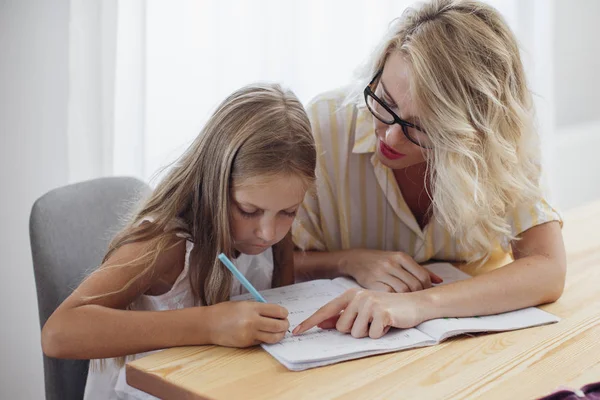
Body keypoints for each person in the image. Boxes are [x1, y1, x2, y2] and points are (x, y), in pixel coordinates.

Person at [292, 0, 565, 339]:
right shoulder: (323, 125)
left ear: (472, 131)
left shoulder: (500, 142)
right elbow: (269, 261)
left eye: (422, 127)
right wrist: (348, 261)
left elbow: (548, 268)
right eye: (385, 102)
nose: (390, 136)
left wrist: (421, 304)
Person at [41, 83, 316, 399]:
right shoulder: (166, 245)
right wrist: (209, 325)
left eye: (289, 212)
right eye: (248, 210)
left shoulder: (270, 224)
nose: (269, 232)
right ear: (214, 182)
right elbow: (59, 332)